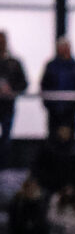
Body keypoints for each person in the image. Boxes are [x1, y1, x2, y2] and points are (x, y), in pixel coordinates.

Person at [40, 36, 75, 139]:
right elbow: (44, 86)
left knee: (70, 138)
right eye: (61, 47)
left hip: (71, 111)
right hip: (54, 111)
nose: (64, 49)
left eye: (65, 47)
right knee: (53, 139)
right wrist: (49, 104)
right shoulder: (51, 66)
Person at [0, 30, 29, 168]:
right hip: (7, 106)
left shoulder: (14, 63)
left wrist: (12, 90)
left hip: (7, 106)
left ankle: (4, 168)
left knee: (6, 140)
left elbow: (23, 83)